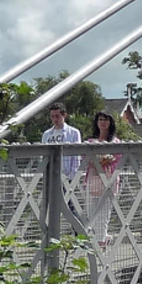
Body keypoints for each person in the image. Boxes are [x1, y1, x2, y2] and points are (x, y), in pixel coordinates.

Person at [84, 111, 121, 244]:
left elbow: (116, 160)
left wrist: (98, 162)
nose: (103, 122)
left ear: (110, 122)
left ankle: (100, 244)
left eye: (105, 120)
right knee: (91, 215)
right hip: (93, 180)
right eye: (100, 119)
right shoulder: (90, 142)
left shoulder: (115, 142)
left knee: (104, 215)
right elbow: (85, 159)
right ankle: (101, 239)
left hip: (108, 180)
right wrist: (98, 162)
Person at [42, 101, 82, 180]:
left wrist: (72, 178)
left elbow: (76, 157)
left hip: (67, 176)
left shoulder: (74, 132)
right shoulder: (46, 134)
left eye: (57, 116)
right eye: (52, 116)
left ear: (64, 115)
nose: (55, 119)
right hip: (50, 176)